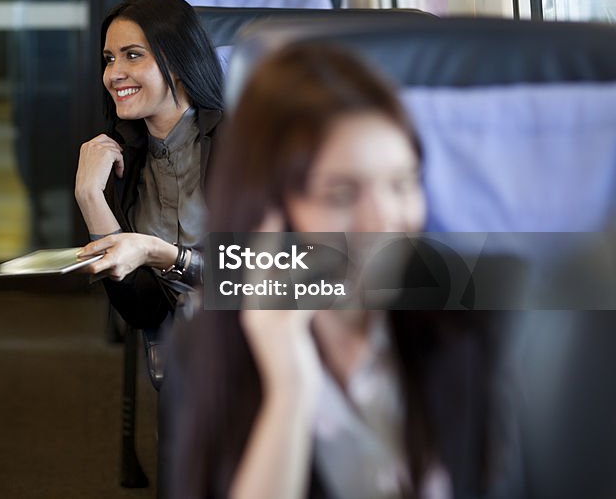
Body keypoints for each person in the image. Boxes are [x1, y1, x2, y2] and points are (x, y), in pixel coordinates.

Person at [167, 44, 513, 499]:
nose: (385, 220)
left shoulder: (470, 324)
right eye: (342, 195)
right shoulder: (206, 353)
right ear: (272, 215)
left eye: (402, 184)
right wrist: (289, 390)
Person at [74, 0, 224, 330]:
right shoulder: (120, 158)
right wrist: (90, 197)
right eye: (110, 58)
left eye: (132, 55)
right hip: (187, 342)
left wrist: (161, 254)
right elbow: (143, 311)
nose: (113, 74)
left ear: (180, 63)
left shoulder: (241, 144)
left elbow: (276, 276)